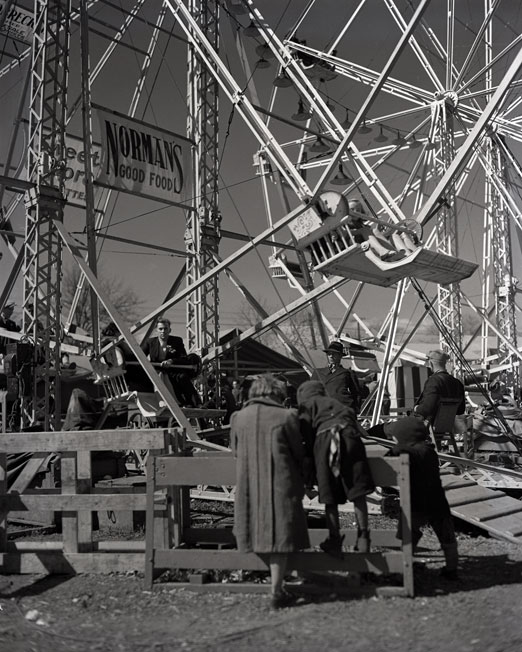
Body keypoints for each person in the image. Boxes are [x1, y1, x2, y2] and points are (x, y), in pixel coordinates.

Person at [230, 373, 310, 609]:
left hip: (248, 483)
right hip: (279, 482)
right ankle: (277, 589)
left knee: (254, 529)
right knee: (280, 532)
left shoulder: (238, 417)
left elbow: (235, 451)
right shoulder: (287, 416)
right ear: (277, 394)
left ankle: (277, 581)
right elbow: (298, 452)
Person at [297, 380, 374, 558]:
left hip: (327, 438)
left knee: (329, 492)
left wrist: (308, 474)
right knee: (357, 490)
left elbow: (307, 440)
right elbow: (351, 418)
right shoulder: (336, 403)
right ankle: (363, 537)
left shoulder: (307, 405)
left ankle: (334, 538)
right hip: (351, 437)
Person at [385, 417, 459, 580]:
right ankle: (451, 569)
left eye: (395, 437)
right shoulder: (430, 451)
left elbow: (391, 458)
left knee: (408, 534)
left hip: (415, 502)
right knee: (447, 537)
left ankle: (403, 567)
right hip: (438, 501)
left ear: (404, 437)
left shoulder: (405, 452)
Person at [141, 317, 199, 406]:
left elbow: (183, 357)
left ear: (169, 330)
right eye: (160, 329)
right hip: (157, 371)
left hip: (173, 370)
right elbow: (140, 356)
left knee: (183, 377)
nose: (163, 331)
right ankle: (173, 403)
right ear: (156, 330)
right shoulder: (150, 342)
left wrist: (171, 361)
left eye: (165, 328)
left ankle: (195, 403)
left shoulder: (177, 341)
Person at [310, 340, 364, 414]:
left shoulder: (348, 373)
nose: (331, 356)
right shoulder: (318, 373)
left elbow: (357, 393)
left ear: (340, 356)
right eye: (329, 354)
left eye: (334, 354)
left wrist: (355, 409)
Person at [414, 349, 466, 423]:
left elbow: (427, 408)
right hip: (448, 425)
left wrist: (417, 408)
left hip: (429, 425)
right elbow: (460, 410)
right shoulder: (457, 383)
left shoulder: (433, 381)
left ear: (431, 363)